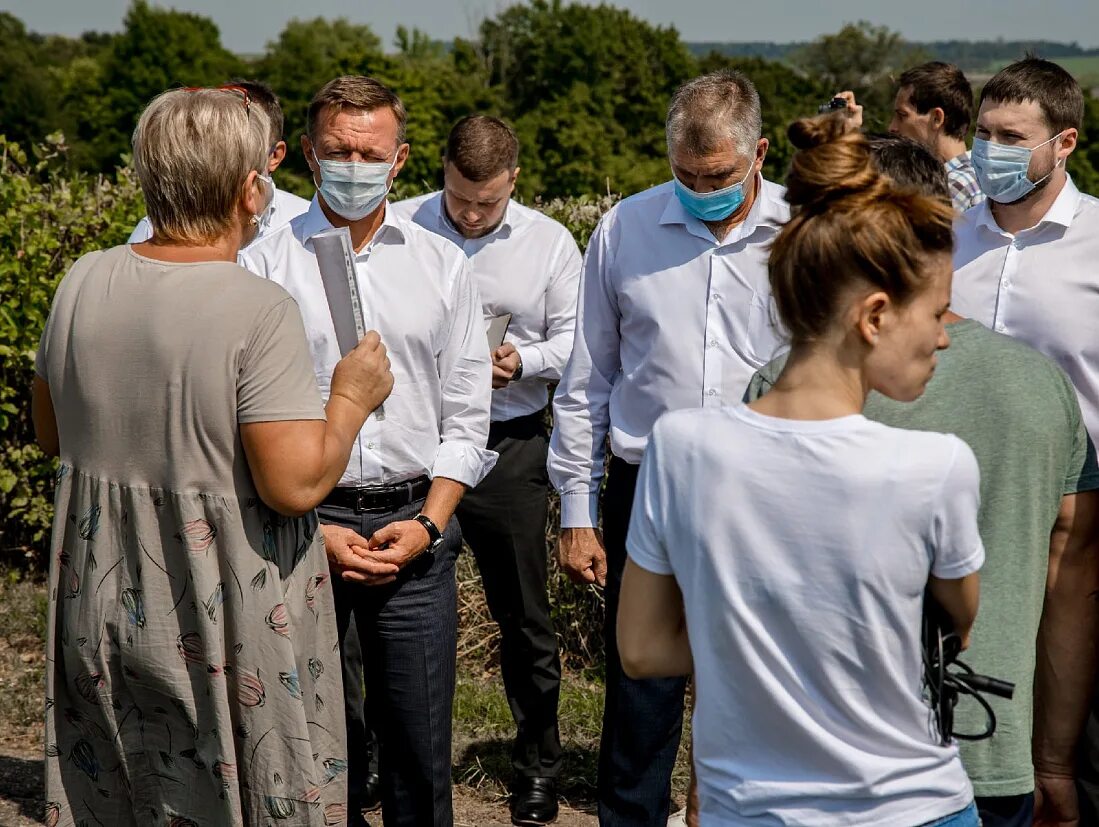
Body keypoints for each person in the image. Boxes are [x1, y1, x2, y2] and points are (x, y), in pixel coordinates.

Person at [33, 86, 393, 826]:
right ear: (249, 189)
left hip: (98, 589)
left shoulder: (81, 279)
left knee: (125, 786)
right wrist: (352, 399)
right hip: (220, 602)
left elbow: (52, 432)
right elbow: (294, 484)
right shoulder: (256, 308)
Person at [619, 115, 983, 826]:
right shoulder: (934, 464)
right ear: (874, 315)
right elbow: (958, 624)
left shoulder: (679, 446)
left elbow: (640, 648)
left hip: (746, 809)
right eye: (935, 311)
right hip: (915, 807)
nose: (943, 333)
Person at [747, 132, 1099, 827]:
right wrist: (1052, 759)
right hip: (989, 747)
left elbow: (749, 604)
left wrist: (713, 764)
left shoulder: (781, 390)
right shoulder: (1040, 388)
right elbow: (1070, 581)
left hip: (816, 761)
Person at [242, 75, 495, 827]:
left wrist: (430, 524)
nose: (353, 163)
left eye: (369, 151)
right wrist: (308, 525)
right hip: (297, 524)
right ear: (309, 160)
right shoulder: (262, 264)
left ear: (401, 157)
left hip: (415, 526)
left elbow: (467, 415)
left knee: (418, 745)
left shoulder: (442, 264)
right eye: (336, 150)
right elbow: (237, 416)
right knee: (312, 744)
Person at [547, 69, 790, 825]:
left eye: (715, 175)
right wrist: (578, 511)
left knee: (764, 680)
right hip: (649, 485)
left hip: (773, 489)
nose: (697, 188)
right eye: (683, 173)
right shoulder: (626, 228)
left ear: (758, 152)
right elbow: (589, 377)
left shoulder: (806, 227)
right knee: (640, 685)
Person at [393, 115, 580, 826]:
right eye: (459, 198)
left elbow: (576, 342)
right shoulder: (404, 224)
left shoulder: (549, 242)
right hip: (419, 441)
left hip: (510, 444)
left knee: (524, 616)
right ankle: (390, 756)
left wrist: (520, 360)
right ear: (440, 170)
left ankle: (537, 767)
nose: (470, 215)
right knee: (396, 608)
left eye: (486, 203)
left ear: (514, 183)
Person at [949, 56, 1099, 825]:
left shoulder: (1095, 242)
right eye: (981, 133)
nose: (988, 151)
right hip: (955, 510)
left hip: (1075, 520)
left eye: (1011, 136)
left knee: (1073, 745)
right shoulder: (948, 236)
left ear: (1063, 141)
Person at [127, 78, 309, 246]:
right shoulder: (159, 227)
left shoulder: (305, 221)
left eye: (244, 143)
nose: (226, 154)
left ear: (275, 155)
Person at [887, 62, 985, 212]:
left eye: (902, 116)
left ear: (936, 118)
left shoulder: (952, 187)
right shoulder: (979, 174)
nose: (892, 127)